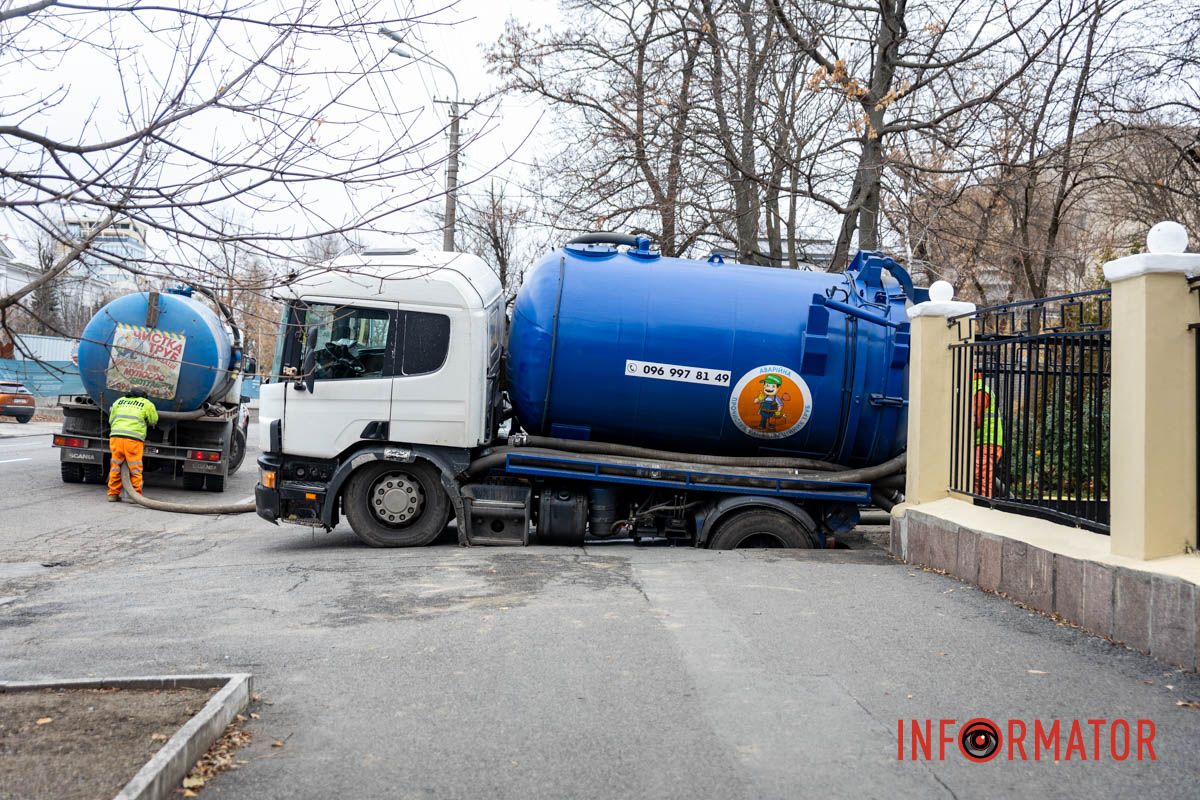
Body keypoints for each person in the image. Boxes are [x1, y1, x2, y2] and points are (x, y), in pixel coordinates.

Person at [107, 388, 159, 502]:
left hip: (116, 437)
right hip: (133, 439)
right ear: (143, 396)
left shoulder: (119, 401)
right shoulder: (146, 403)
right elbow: (154, 420)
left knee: (115, 466)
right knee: (135, 468)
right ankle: (135, 496)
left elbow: (111, 419)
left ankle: (112, 494)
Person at [972, 371, 1004, 498]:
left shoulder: (979, 391)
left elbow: (976, 420)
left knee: (981, 475)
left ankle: (983, 504)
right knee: (980, 475)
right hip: (984, 440)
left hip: (988, 440)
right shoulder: (978, 390)